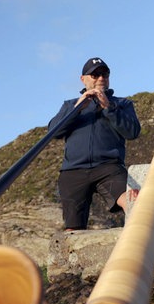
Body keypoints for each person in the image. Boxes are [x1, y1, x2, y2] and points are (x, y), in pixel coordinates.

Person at [48, 56, 141, 231]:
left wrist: (109, 108)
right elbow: (54, 132)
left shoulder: (122, 104)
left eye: (104, 74)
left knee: (133, 202)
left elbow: (133, 132)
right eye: (95, 75)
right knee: (73, 229)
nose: (100, 78)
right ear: (83, 79)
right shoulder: (69, 105)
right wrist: (78, 107)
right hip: (73, 171)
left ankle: (140, 245)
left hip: (108, 167)